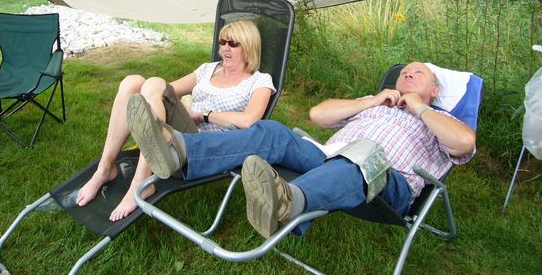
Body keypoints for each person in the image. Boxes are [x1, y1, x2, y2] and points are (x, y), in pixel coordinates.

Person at [127, 62, 476, 238]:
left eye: (419, 74)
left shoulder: (441, 118)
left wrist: (418, 107)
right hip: (329, 155)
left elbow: (464, 143)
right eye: (405, 72)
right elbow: (318, 115)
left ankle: (287, 203)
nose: (408, 74)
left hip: (388, 180)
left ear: (435, 91)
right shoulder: (375, 102)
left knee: (363, 153)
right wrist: (372, 101)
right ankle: (181, 152)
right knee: (272, 131)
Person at [76, 20, 275, 221]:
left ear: (248, 46)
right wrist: (175, 106)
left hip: (205, 149)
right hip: (182, 132)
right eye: (223, 42)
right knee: (133, 83)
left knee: (153, 85)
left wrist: (204, 114)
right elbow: (160, 90)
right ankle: (105, 168)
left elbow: (249, 121)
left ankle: (140, 181)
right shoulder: (209, 69)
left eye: (233, 43)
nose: (225, 48)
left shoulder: (259, 80)